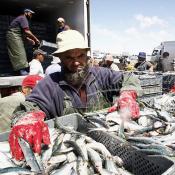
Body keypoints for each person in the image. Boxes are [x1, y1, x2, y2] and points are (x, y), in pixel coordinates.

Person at [8, 30, 142, 160]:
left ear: (87, 54)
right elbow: (29, 106)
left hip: (110, 144)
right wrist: (29, 117)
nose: (76, 62)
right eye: (69, 57)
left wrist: (128, 94)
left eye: (80, 56)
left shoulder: (101, 75)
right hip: (71, 150)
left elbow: (129, 77)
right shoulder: (49, 85)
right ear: (60, 58)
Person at [6, 9, 40, 75]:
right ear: (26, 13)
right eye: (30, 14)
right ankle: (22, 71)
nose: (31, 15)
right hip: (13, 35)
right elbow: (26, 31)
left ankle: (19, 71)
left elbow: (23, 33)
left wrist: (30, 40)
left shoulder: (22, 18)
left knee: (18, 52)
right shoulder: (23, 18)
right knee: (20, 52)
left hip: (15, 35)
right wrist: (36, 39)